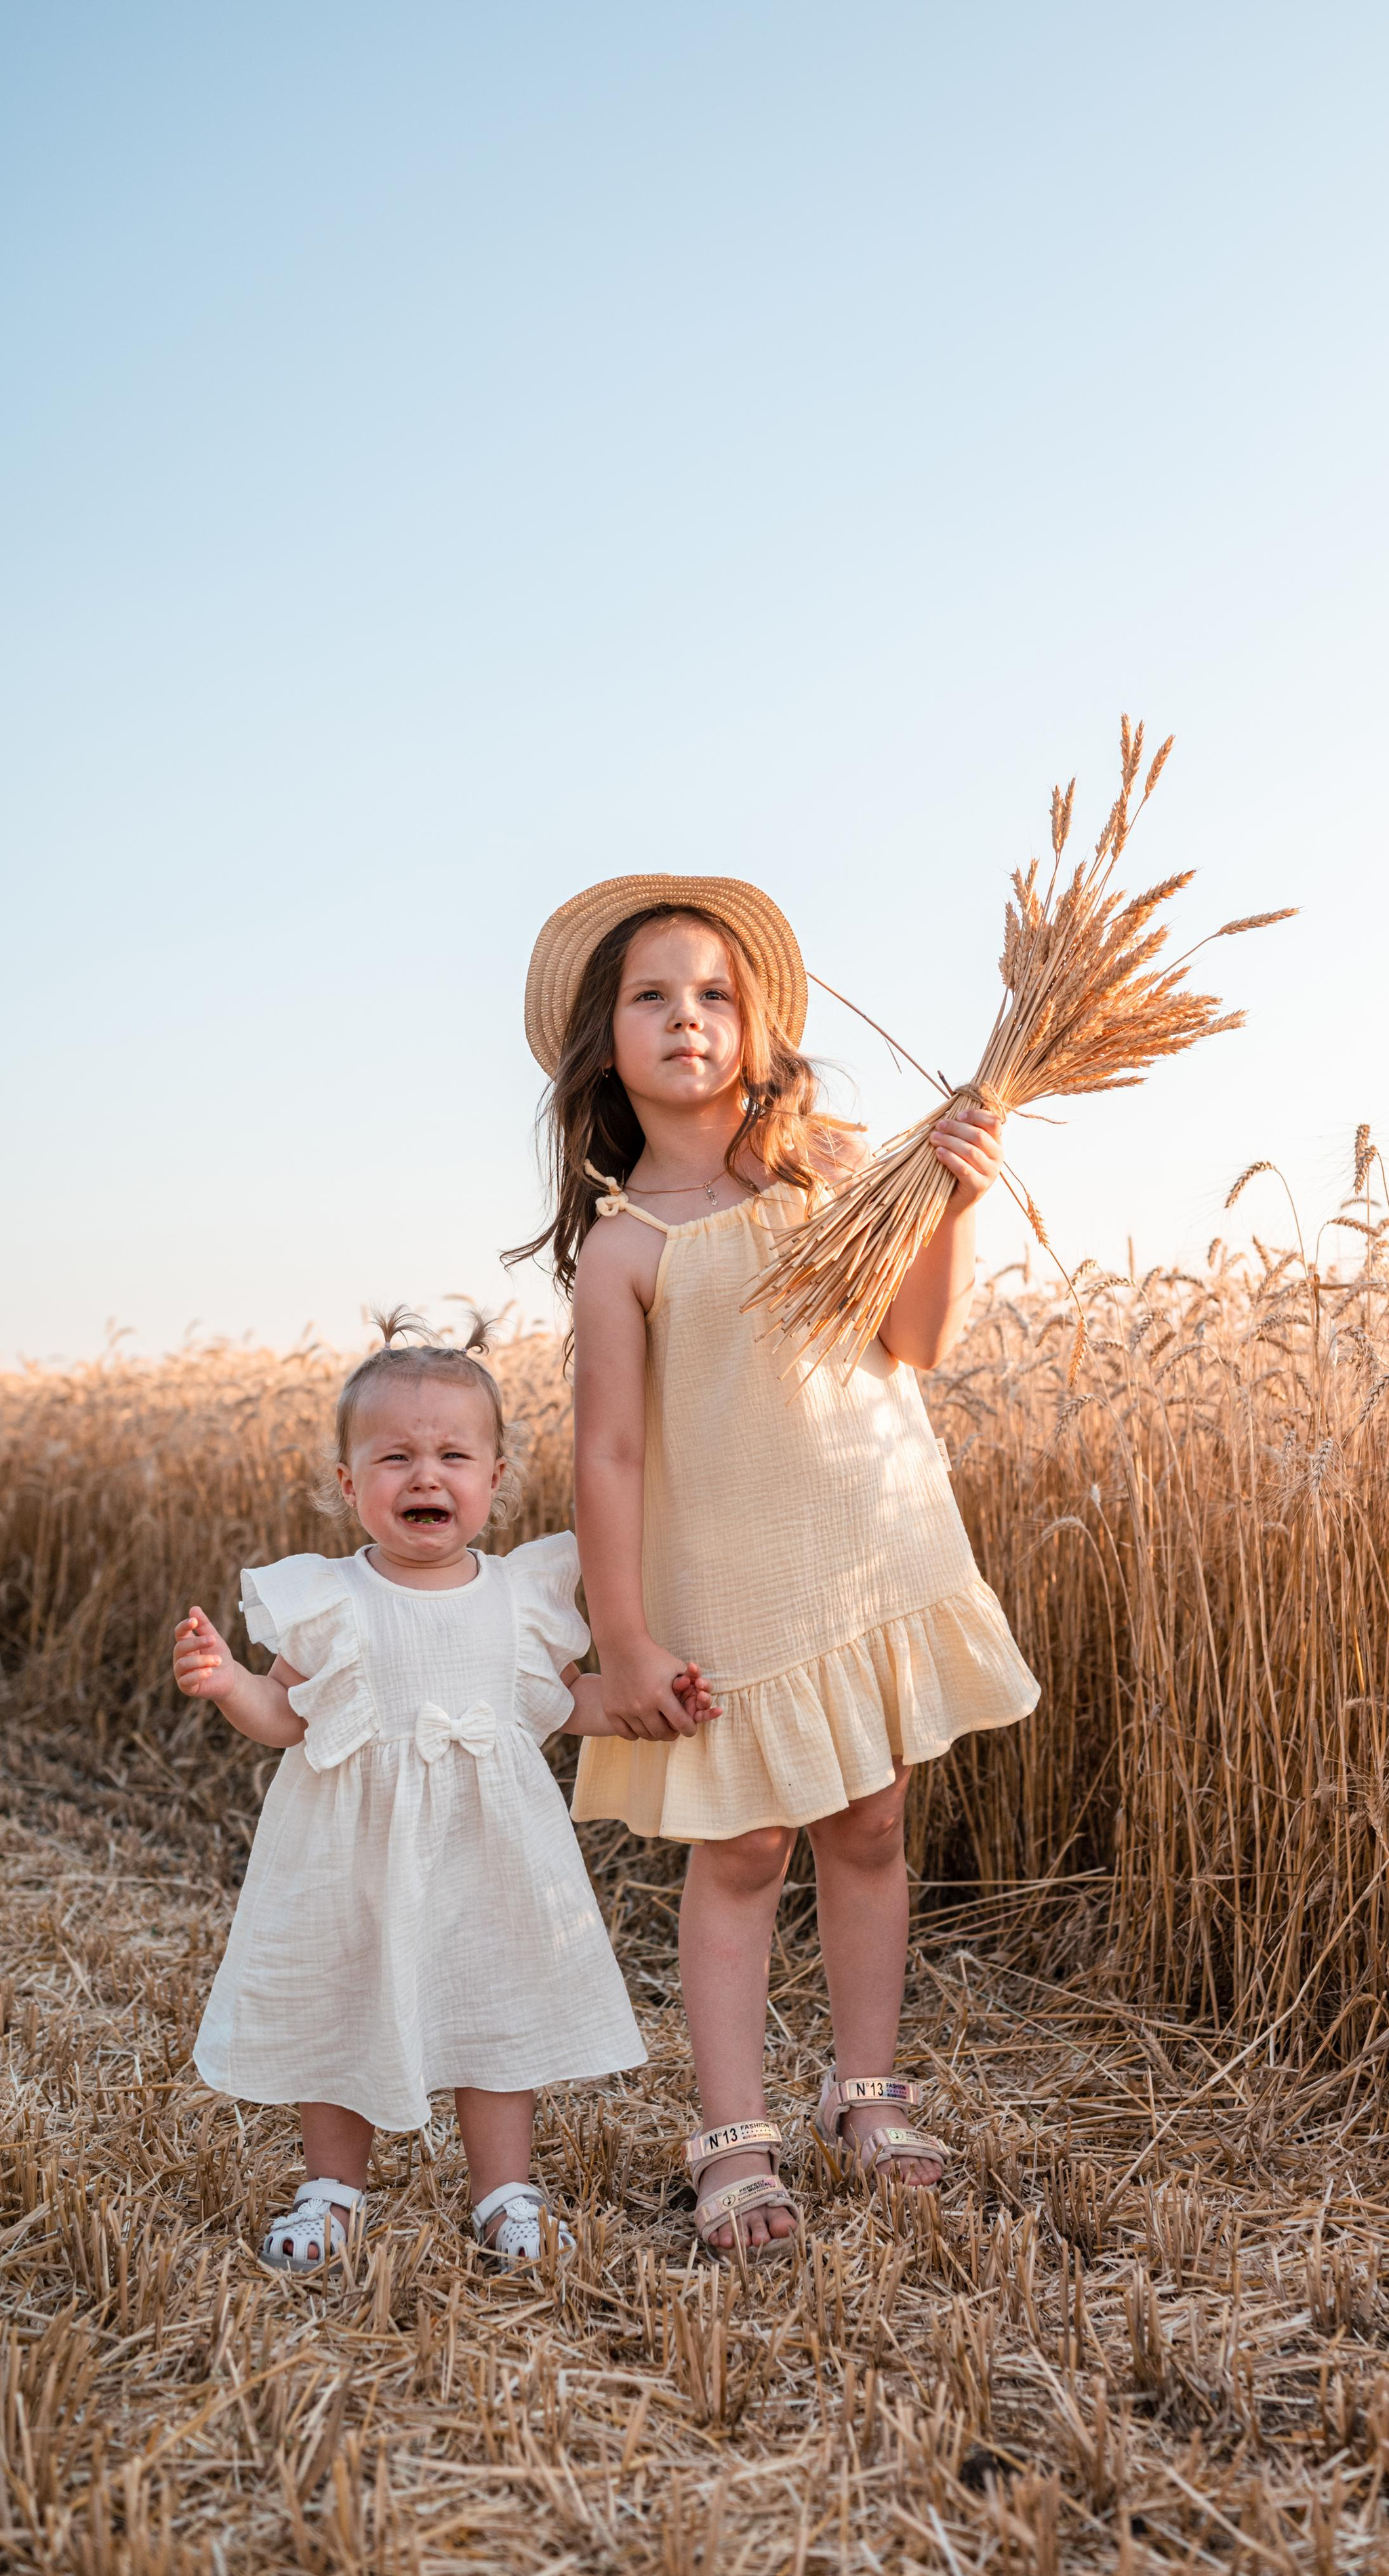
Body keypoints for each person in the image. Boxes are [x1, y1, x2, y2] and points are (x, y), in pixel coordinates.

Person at [511, 874, 1040, 2256]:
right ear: (603, 1043)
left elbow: (913, 1341)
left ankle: (864, 2096)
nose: (687, 1016)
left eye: (714, 993)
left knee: (868, 1825)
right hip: (725, 1583)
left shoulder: (831, 1175)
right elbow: (611, 1459)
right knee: (742, 1848)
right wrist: (621, 1641)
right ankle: (734, 2137)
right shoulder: (627, 1249)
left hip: (867, 1549)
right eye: (651, 996)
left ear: (754, 1027)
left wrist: (954, 1202)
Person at [174, 1312, 713, 2270]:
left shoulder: (521, 1597)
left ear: (494, 1481)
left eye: (454, 1453)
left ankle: (503, 2190)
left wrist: (648, 1697)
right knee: (346, 2003)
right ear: (350, 1485)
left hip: (488, 1854)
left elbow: (567, 1703)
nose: (426, 1475)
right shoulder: (333, 1598)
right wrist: (230, 1685)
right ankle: (333, 2186)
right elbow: (288, 1713)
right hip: (355, 1858)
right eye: (394, 1457)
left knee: (493, 2010)